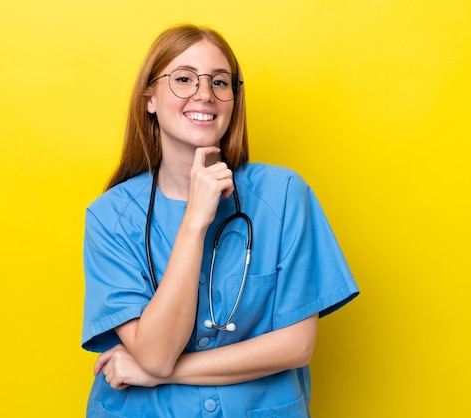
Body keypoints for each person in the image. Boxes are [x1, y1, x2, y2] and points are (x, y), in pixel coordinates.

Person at [81, 23, 359, 418]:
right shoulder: (110, 217)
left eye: (220, 82)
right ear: (150, 99)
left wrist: (160, 374)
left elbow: (296, 346)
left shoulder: (283, 195)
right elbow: (156, 354)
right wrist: (195, 219)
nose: (204, 94)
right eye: (183, 78)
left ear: (234, 98)